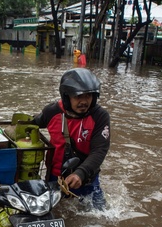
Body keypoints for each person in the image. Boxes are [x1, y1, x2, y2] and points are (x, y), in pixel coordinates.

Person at [32, 68, 110, 210]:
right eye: (78, 96)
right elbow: (31, 124)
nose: (84, 101)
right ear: (67, 97)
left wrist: (80, 174)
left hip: (86, 179)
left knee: (103, 216)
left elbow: (100, 150)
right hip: (55, 179)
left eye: (88, 96)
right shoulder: (52, 111)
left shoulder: (100, 116)